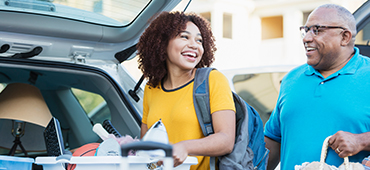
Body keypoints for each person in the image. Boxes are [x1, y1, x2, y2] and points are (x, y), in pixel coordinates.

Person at [264, 4, 370, 170]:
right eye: (305, 30)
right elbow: (273, 140)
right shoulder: (291, 79)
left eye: (317, 30)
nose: (306, 38)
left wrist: (362, 141)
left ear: (345, 37)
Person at [137, 11, 236, 170]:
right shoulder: (151, 88)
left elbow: (226, 140)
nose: (194, 45)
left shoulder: (213, 80)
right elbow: (146, 143)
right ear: (162, 42)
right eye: (184, 37)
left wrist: (185, 147)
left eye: (199, 40)